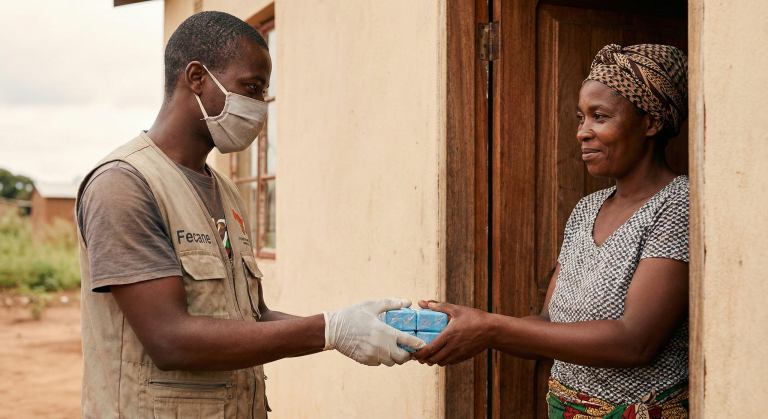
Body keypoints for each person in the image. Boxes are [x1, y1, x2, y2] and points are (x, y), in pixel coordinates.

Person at [75, 11, 424, 419]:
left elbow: (252, 318)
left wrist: (359, 328)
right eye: (251, 88)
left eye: (263, 93)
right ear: (197, 78)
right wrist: (328, 329)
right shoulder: (125, 184)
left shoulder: (224, 192)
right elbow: (169, 339)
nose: (260, 108)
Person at [413, 44, 690, 418]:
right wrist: (464, 326)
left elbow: (635, 341)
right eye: (581, 117)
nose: (582, 132)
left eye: (600, 117)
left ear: (652, 123)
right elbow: (547, 326)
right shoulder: (586, 209)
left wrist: (490, 328)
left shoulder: (678, 204)